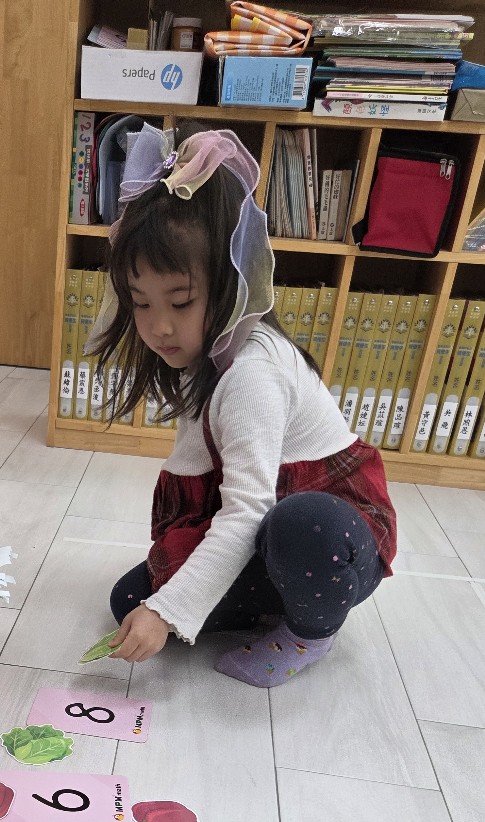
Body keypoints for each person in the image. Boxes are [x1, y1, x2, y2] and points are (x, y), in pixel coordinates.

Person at [90, 122, 397, 687]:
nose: (159, 327)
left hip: (329, 539)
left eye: (181, 302)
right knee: (129, 601)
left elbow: (249, 512)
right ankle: (272, 600)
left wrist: (171, 609)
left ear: (232, 282)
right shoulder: (204, 353)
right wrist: (163, 604)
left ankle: (310, 631)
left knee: (304, 527)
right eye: (141, 303)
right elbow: (214, 490)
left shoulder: (253, 372)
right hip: (262, 530)